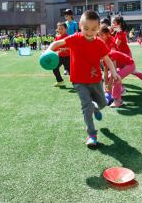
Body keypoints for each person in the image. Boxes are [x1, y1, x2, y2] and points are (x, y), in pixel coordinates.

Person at [46, 10, 121, 147]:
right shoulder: (75, 38)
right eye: (86, 28)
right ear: (80, 25)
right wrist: (48, 51)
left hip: (96, 80)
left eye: (93, 29)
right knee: (86, 106)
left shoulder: (99, 43)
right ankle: (92, 134)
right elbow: (57, 44)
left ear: (98, 28)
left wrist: (114, 72)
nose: (89, 32)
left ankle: (96, 108)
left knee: (103, 104)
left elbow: (107, 59)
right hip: (79, 81)